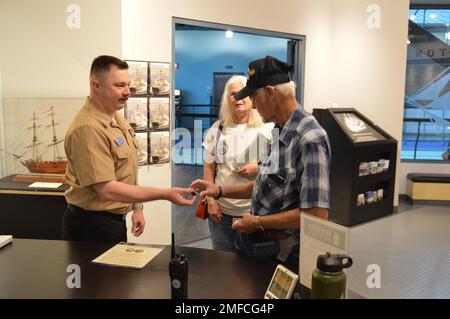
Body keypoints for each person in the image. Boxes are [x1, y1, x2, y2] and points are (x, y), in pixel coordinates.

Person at [191, 56, 331, 268]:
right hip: (261, 247)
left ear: (271, 93)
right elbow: (263, 185)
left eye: (254, 97)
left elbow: (315, 215)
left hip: (285, 255)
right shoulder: (279, 131)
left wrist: (257, 222)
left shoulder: (309, 139)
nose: (253, 105)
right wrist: (218, 191)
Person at [63, 55, 195, 243]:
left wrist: (137, 207)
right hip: (91, 226)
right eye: (119, 85)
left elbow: (127, 170)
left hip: (112, 221)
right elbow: (107, 189)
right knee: (100, 274)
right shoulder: (88, 128)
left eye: (128, 84)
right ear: (96, 86)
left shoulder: (116, 117)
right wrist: (166, 194)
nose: (128, 92)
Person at [202, 75, 273, 252]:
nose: (238, 98)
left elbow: (277, 168)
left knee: (251, 270)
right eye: (233, 94)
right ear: (227, 99)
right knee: (222, 266)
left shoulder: (267, 129)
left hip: (254, 214)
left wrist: (256, 168)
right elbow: (209, 167)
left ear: (252, 97)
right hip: (221, 214)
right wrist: (210, 199)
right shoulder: (217, 129)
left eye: (243, 94)